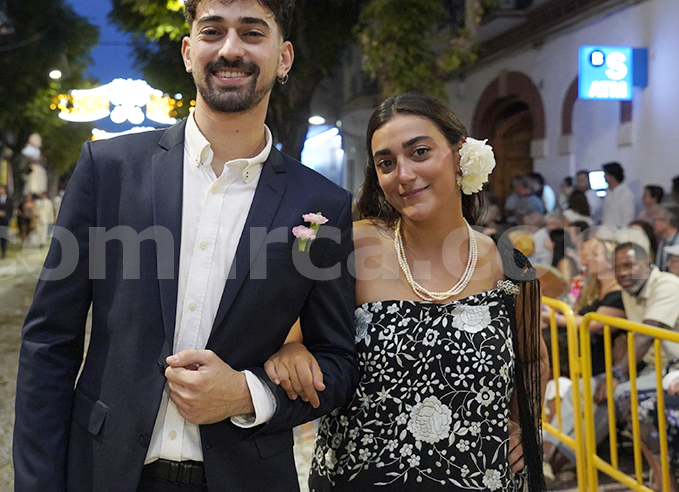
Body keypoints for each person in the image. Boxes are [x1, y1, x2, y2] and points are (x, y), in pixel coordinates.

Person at [13, 0, 359, 492]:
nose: (230, 49)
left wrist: (247, 394)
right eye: (212, 31)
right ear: (187, 51)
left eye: (252, 33)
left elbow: (337, 363)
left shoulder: (321, 204)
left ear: (284, 57)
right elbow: (50, 341)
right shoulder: (109, 170)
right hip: (105, 471)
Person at [266, 93, 549, 492]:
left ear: (460, 153)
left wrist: (521, 423)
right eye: (386, 163)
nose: (404, 174)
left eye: (420, 152)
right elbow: (283, 315)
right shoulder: (349, 248)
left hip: (481, 478)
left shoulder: (509, 267)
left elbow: (533, 359)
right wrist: (291, 347)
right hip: (362, 480)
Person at [540, 238, 626, 480]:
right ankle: (543, 464)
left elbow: (595, 324)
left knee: (586, 412)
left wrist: (553, 318)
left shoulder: (620, 294)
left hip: (612, 370)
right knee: (568, 406)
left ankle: (549, 466)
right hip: (588, 367)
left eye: (595, 255)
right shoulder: (592, 289)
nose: (587, 260)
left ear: (610, 262)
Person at [594, 243, 679, 410]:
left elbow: (645, 336)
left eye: (629, 265)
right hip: (650, 366)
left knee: (616, 394)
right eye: (616, 268)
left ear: (648, 265)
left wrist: (616, 374)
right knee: (583, 386)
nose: (622, 273)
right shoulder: (630, 289)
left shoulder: (667, 285)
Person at [600, 162, 635, 230]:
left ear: (612, 176)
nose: (604, 176)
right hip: (605, 230)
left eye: (605, 174)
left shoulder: (625, 194)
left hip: (618, 232)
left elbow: (628, 219)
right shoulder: (608, 192)